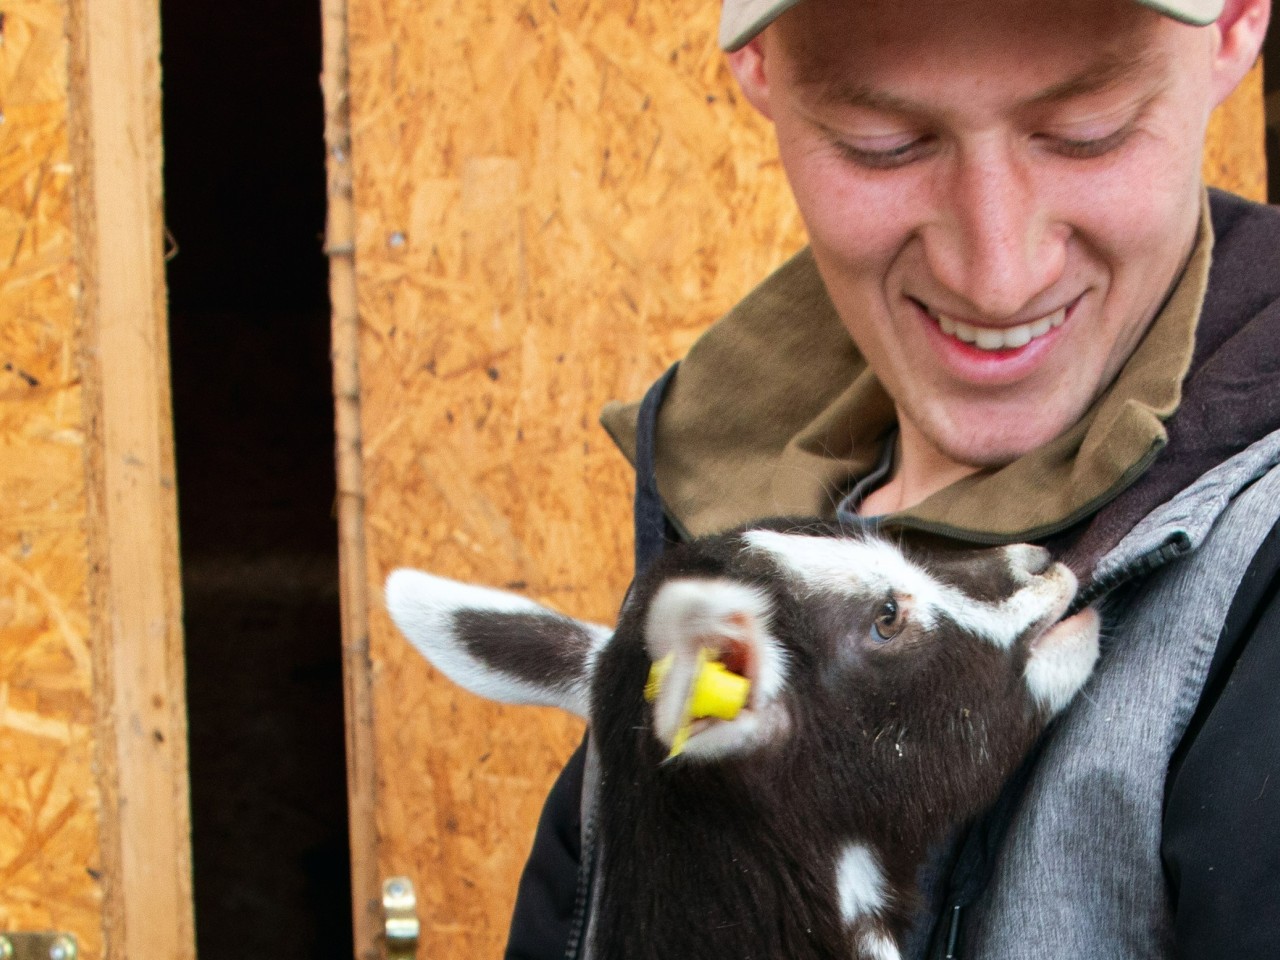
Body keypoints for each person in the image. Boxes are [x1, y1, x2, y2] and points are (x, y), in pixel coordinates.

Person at [505, 0, 1280, 956]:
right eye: (885, 144)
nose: (996, 274)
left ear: (1237, 22)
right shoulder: (704, 573)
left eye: (1089, 132)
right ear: (757, 61)